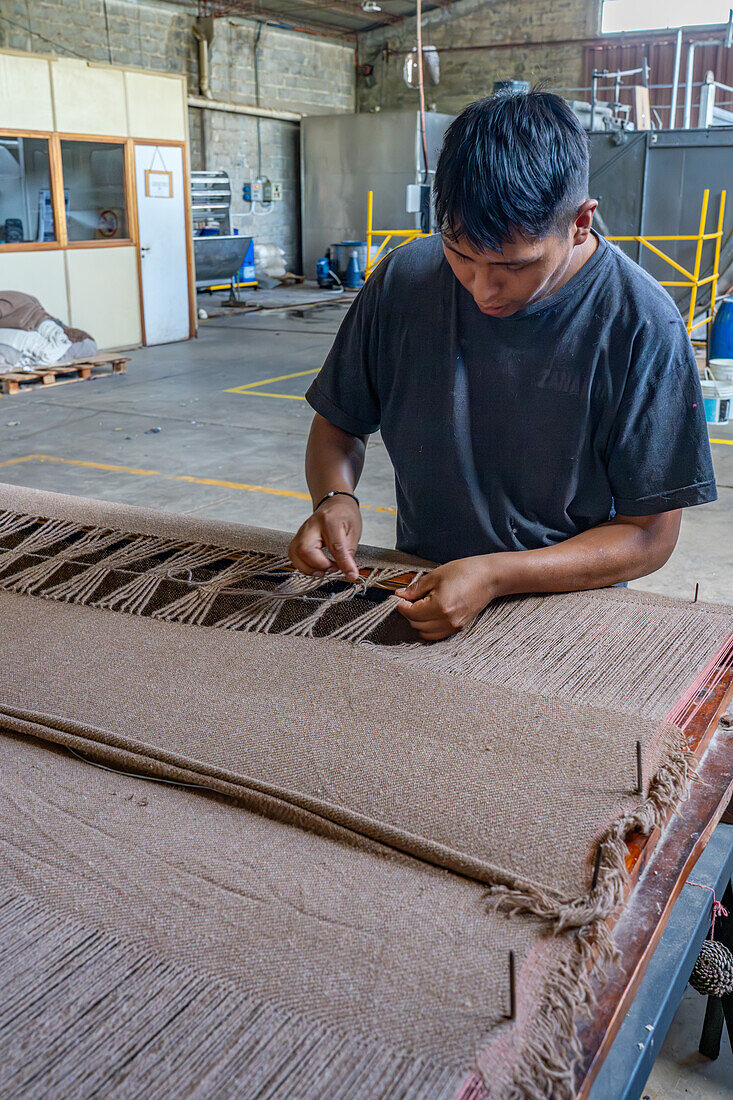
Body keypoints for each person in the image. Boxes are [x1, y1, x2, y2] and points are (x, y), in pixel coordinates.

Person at [288, 90, 716, 641]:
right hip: (421, 587)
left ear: (581, 222)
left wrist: (496, 574)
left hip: (567, 608)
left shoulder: (639, 321)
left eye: (512, 265)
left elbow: (648, 536)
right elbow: (340, 423)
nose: (482, 290)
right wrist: (334, 497)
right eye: (461, 255)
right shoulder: (403, 283)